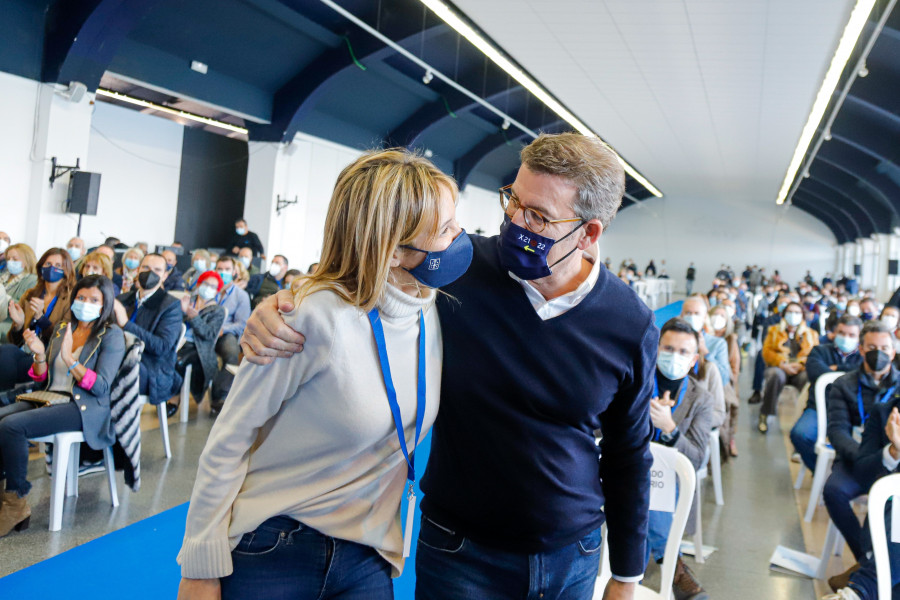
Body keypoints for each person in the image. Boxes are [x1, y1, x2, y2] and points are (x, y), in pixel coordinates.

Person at [241, 132, 658, 600]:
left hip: (569, 555)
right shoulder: (458, 267)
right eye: (513, 201)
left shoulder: (629, 323)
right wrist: (282, 303)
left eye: (538, 217)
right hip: (459, 550)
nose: (515, 223)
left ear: (589, 233)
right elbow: (356, 283)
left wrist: (626, 575)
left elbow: (627, 454)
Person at [176, 149, 470, 600]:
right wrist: (199, 568)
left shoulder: (432, 311)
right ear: (392, 252)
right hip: (277, 545)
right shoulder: (310, 316)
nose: (461, 237)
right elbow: (229, 439)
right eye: (446, 229)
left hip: (367, 555)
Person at [0, 275, 125, 538]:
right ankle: (5, 495)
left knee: (12, 427)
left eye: (94, 300)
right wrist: (38, 354)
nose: (85, 303)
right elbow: (42, 378)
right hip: (49, 397)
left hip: (82, 407)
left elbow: (101, 387)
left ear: (105, 305)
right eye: (81, 297)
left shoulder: (112, 336)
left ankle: (16, 503)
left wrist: (70, 359)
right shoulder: (63, 327)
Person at [822, 320, 898, 587]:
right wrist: (868, 457)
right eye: (872, 347)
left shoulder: (898, 388)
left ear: (894, 350)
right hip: (858, 459)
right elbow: (838, 432)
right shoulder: (844, 384)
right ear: (862, 349)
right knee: (834, 490)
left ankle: (870, 572)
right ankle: (868, 562)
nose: (879, 352)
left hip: (894, 463)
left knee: (893, 505)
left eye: (885, 347)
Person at [645, 318, 714, 600]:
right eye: (668, 348)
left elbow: (697, 458)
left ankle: (631, 568)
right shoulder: (635, 379)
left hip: (669, 482)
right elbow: (601, 428)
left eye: (683, 352)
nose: (674, 356)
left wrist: (669, 428)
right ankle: (673, 564)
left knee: (654, 483)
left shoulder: (701, 398)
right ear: (656, 348)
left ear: (694, 358)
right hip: (624, 466)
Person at [824, 392, 900, 600]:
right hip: (889, 524)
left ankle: (860, 586)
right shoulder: (883, 413)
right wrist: (894, 451)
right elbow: (863, 473)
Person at [789, 315, 864, 472]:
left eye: (851, 335)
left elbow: (863, 375)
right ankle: (821, 471)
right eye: (842, 333)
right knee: (800, 434)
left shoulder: (863, 358)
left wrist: (836, 370)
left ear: (859, 338)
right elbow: (816, 373)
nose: (846, 338)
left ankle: (844, 476)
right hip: (819, 407)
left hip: (853, 412)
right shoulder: (820, 351)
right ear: (834, 333)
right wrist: (849, 375)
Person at [0, 248, 77, 390]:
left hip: (49, 355)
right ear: (41, 267)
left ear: (66, 270)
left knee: (6, 354)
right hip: (25, 351)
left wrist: (41, 318)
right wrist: (19, 324)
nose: (52, 268)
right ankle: (5, 400)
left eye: (58, 265)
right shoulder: (31, 294)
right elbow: (16, 341)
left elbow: (64, 336)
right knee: (7, 351)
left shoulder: (71, 297)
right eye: (48, 264)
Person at [113, 253, 182, 406]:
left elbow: (161, 347)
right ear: (138, 270)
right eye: (146, 267)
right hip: (117, 356)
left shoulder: (171, 306)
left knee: (108, 373)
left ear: (164, 276)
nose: (150, 273)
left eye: (157, 270)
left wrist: (126, 323)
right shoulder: (123, 299)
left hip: (151, 368)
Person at [168, 271, 226, 417]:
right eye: (206, 284)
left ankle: (174, 398)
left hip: (198, 347)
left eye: (213, 286)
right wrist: (182, 311)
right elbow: (171, 322)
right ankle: (161, 393)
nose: (209, 288)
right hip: (177, 341)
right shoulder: (187, 300)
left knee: (178, 362)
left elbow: (208, 334)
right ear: (199, 284)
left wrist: (194, 317)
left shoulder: (217, 310)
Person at [759, 301, 819, 432]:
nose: (793, 315)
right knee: (775, 376)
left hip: (800, 369)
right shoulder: (774, 331)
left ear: (802, 316)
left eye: (797, 312)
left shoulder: (811, 334)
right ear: (784, 315)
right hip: (779, 367)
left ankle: (805, 417)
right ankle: (765, 413)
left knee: (808, 379)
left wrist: (800, 364)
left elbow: (814, 354)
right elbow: (766, 351)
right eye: (790, 312)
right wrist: (782, 364)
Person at [207, 257, 251, 414]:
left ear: (234, 272)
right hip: (205, 331)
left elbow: (242, 324)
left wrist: (222, 329)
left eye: (227, 269)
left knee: (231, 353)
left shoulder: (241, 296)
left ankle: (220, 396)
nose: (223, 272)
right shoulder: (208, 289)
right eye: (220, 269)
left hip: (226, 333)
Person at [709, 304, 740, 457]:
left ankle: (728, 440)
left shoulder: (729, 340)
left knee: (728, 402)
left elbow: (734, 368)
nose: (718, 318)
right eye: (715, 314)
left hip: (725, 381)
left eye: (722, 316)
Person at [0, 244, 38, 339]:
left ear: (27, 260)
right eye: (8, 259)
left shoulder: (32, 280)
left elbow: (25, 307)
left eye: (15, 259)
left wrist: (5, 298)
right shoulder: (3, 276)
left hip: (10, 324)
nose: (10, 262)